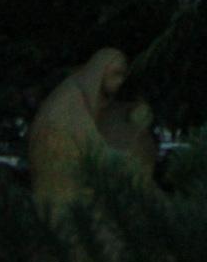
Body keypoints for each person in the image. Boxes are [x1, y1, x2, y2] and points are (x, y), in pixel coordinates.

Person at [27, 47, 143, 219]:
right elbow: (94, 148)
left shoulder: (82, 98)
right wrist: (129, 160)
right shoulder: (72, 102)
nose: (120, 81)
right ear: (100, 71)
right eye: (116, 74)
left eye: (123, 75)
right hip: (64, 193)